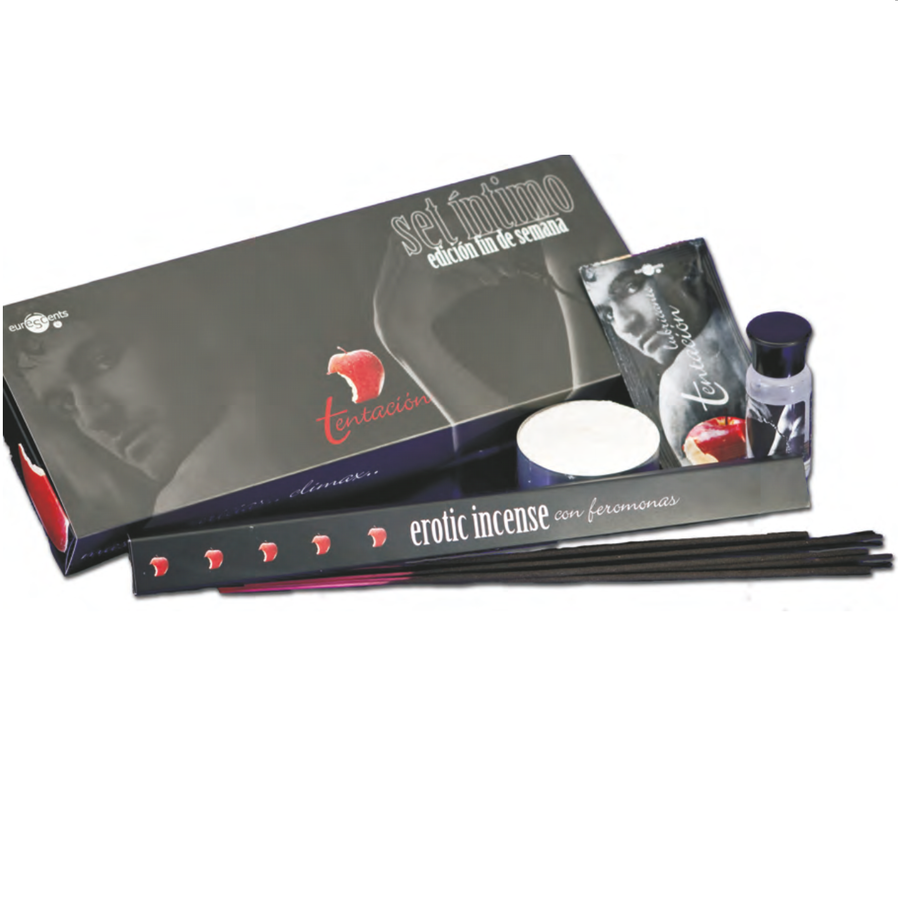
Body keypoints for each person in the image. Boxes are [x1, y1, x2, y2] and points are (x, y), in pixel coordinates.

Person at [585, 250, 748, 464]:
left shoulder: (678, 388)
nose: (624, 323)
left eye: (631, 287)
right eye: (608, 315)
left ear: (687, 268)